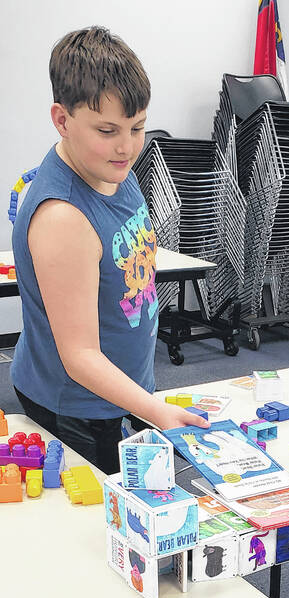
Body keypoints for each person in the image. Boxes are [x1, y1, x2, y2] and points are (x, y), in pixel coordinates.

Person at [11, 26, 208, 474]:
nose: (127, 146)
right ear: (62, 120)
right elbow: (79, 355)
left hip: (120, 390)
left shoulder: (113, 167)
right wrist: (155, 412)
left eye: (137, 127)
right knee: (101, 528)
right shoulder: (62, 216)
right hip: (75, 404)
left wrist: (143, 401)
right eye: (107, 130)